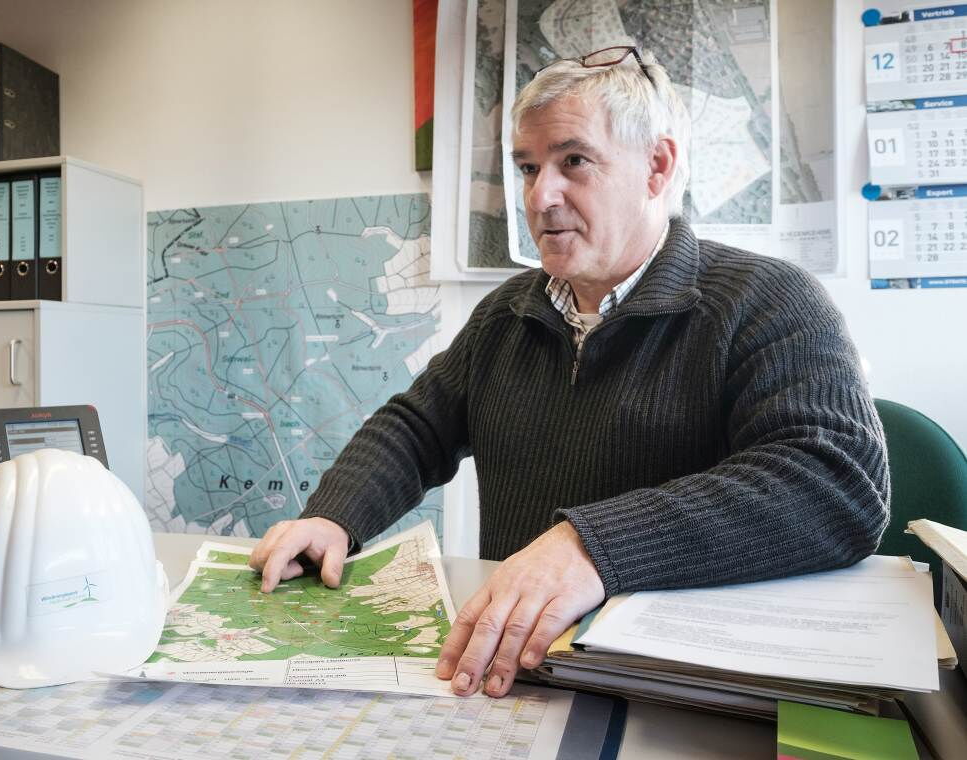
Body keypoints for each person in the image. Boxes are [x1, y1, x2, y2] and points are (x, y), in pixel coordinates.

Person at [249, 46, 889, 699]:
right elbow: (417, 428)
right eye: (528, 168)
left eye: (573, 161)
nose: (539, 195)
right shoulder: (507, 313)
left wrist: (591, 547)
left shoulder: (768, 300)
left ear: (656, 166)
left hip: (672, 690)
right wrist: (333, 517)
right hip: (517, 673)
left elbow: (836, 481)